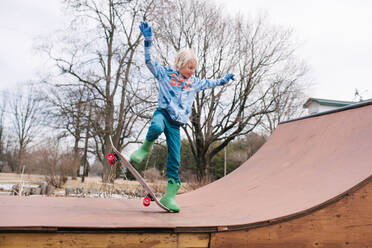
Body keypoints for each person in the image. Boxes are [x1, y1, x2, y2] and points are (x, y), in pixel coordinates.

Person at [130, 21, 235, 212]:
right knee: (155, 128)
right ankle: (144, 149)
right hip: (162, 114)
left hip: (176, 125)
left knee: (175, 158)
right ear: (179, 64)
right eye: (189, 67)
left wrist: (224, 80)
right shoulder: (165, 74)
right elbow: (148, 62)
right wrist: (148, 40)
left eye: (194, 68)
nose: (191, 71)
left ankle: (170, 196)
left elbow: (209, 83)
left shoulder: (193, 82)